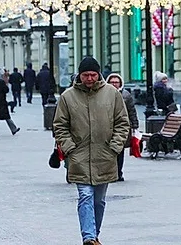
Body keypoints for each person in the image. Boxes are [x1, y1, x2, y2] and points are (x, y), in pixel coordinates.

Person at [53, 57, 130, 245]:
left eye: (93, 75)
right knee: (85, 196)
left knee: (99, 200)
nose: (89, 78)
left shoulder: (112, 94)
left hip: (105, 155)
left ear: (99, 74)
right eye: (86, 75)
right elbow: (59, 125)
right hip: (78, 156)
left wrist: (115, 146)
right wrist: (69, 147)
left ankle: (94, 234)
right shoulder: (67, 97)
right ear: (79, 75)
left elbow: (122, 122)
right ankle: (88, 237)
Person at [105, 73, 139, 182]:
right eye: (112, 82)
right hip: (107, 127)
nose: (114, 84)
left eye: (116, 82)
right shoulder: (103, 94)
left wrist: (134, 125)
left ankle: (119, 172)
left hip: (122, 127)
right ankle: (111, 172)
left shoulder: (126, 95)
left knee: (119, 150)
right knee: (109, 152)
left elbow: (131, 111)